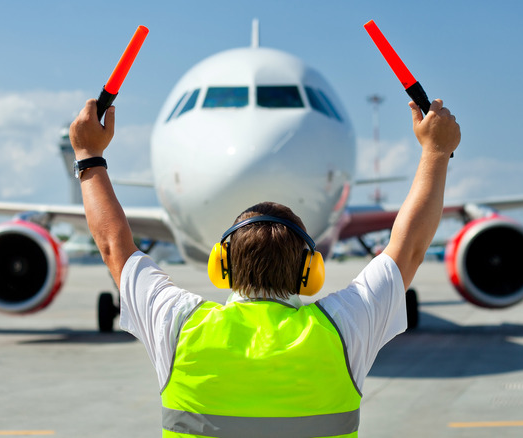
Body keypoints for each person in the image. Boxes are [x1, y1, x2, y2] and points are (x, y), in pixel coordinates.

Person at [69, 97, 460, 437]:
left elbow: (112, 244)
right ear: (310, 271)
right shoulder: (342, 330)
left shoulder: (180, 327)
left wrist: (88, 155)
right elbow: (408, 249)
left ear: (221, 265)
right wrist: (436, 153)